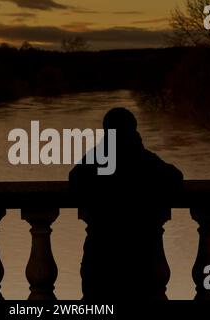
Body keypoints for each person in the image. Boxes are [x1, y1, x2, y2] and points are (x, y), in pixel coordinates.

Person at [69, 107, 183, 301]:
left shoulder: (97, 160)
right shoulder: (145, 160)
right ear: (134, 130)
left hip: (101, 258)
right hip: (141, 258)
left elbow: (75, 179)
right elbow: (175, 178)